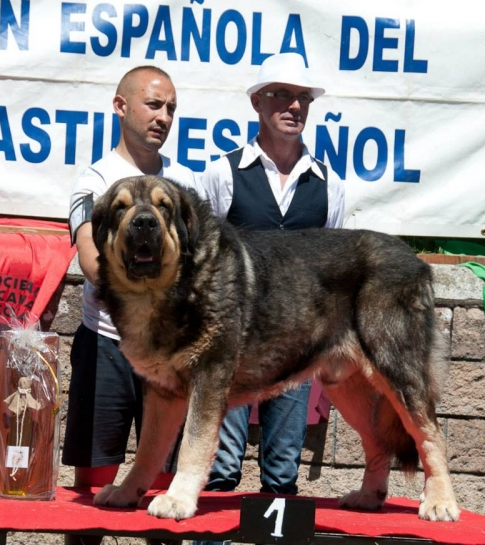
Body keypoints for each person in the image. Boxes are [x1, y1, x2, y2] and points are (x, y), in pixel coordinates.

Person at [199, 52, 345, 520]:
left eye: (302, 97)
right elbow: (202, 259)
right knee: (219, 467)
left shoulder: (330, 184)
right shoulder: (223, 173)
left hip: (297, 346)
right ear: (258, 103)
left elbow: (334, 269)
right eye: (282, 95)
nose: (293, 106)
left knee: (282, 472)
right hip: (232, 344)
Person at [63, 65, 199, 545]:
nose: (163, 117)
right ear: (121, 106)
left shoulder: (182, 185)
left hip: (170, 354)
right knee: (93, 492)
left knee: (163, 493)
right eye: (153, 104)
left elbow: (202, 269)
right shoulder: (94, 180)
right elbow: (91, 261)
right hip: (106, 345)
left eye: (171, 109)